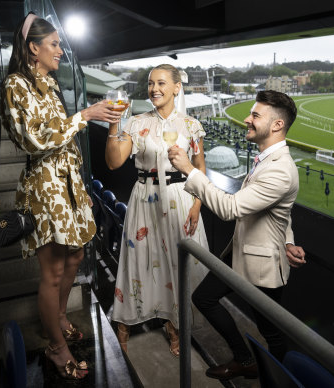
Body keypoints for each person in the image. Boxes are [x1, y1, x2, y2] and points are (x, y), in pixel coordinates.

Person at [1, 12, 120, 380]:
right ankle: (56, 347)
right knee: (52, 272)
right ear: (33, 48)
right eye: (54, 45)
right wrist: (84, 115)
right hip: (45, 190)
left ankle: (59, 317)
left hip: (69, 187)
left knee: (78, 255)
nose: (60, 53)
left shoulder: (50, 85)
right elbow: (33, 140)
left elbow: (63, 139)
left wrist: (82, 185)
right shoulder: (15, 85)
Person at [168, 90, 306, 380]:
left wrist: (190, 171)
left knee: (271, 332)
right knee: (204, 298)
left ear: (277, 125)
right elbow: (280, 211)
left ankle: (276, 380)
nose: (247, 119)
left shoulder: (281, 170)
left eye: (255, 115)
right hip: (240, 251)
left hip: (263, 263)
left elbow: (230, 208)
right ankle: (244, 359)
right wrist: (289, 240)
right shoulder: (267, 160)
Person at [105, 64, 209, 357]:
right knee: (137, 260)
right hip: (145, 198)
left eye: (161, 83)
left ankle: (174, 325)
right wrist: (115, 123)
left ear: (177, 87)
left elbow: (200, 169)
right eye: (150, 84)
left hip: (182, 198)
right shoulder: (136, 123)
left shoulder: (191, 125)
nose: (154, 89)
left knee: (178, 265)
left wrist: (197, 206)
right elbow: (114, 162)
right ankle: (123, 325)